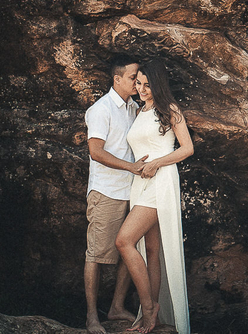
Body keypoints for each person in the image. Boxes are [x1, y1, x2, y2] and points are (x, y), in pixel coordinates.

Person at [115, 57, 194, 334]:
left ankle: (149, 307)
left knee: (124, 240)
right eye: (138, 83)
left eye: (148, 84)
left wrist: (157, 163)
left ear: (158, 85)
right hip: (141, 184)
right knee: (151, 251)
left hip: (160, 182)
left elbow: (187, 149)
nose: (142, 89)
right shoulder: (138, 111)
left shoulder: (170, 109)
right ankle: (153, 319)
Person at [84, 55, 147, 334]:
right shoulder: (101, 109)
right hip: (107, 191)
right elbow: (95, 152)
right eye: (133, 77)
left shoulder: (135, 107)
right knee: (96, 254)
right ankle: (91, 318)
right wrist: (132, 167)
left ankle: (116, 307)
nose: (137, 82)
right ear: (117, 79)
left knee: (128, 248)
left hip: (132, 191)